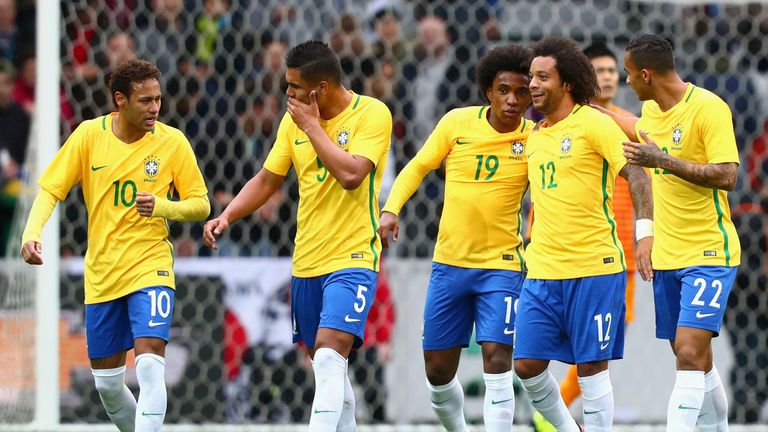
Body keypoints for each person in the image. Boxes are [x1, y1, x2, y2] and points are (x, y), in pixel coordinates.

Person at [202, 40, 392, 432]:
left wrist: (312, 127)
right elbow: (268, 178)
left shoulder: (371, 114)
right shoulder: (293, 123)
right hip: (307, 262)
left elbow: (353, 175)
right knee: (329, 369)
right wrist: (229, 215)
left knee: (327, 358)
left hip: (354, 257)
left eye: (293, 86)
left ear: (320, 88)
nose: (287, 93)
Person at [20, 59, 210, 432]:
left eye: (158, 99)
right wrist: (31, 233)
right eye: (145, 101)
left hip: (150, 265)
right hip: (103, 274)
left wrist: (163, 206)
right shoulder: (89, 136)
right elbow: (50, 191)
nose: (155, 108)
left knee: (151, 362)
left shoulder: (173, 143)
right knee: (108, 386)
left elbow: (201, 203)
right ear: (120, 100)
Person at [379, 43, 534, 432]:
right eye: (504, 90)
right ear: (488, 91)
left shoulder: (537, 138)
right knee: (437, 369)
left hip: (502, 266)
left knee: (498, 357)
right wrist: (390, 208)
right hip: (449, 265)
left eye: (521, 91)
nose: (512, 100)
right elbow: (417, 166)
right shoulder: (457, 123)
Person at [513, 36, 653, 432]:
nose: (533, 84)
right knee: (526, 364)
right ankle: (566, 427)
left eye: (542, 77)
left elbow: (637, 174)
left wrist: (645, 234)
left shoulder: (596, 124)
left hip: (595, 267)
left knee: (591, 367)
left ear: (568, 83)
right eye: (531, 76)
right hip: (542, 272)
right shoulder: (534, 135)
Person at [618, 34, 740, 432]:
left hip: (709, 251)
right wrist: (646, 233)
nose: (628, 82)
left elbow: (726, 175)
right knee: (696, 359)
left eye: (630, 74)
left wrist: (663, 159)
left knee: (687, 352)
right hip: (667, 253)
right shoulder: (648, 113)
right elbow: (647, 177)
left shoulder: (708, 107)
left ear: (646, 73)